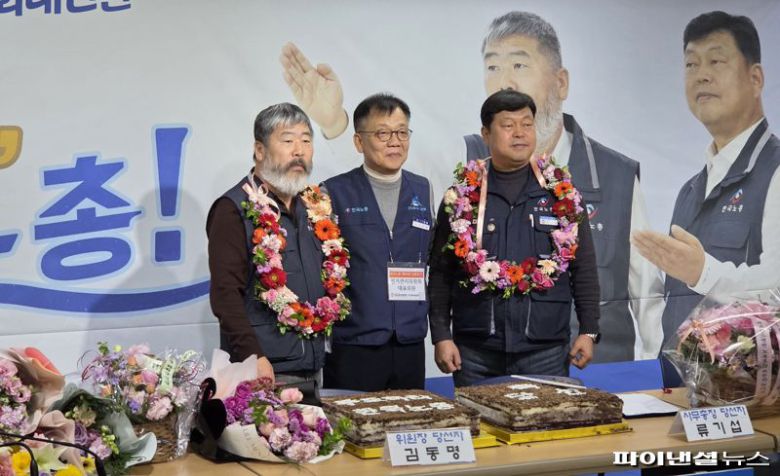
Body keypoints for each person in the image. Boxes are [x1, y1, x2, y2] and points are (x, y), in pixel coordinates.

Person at [280, 11, 663, 363]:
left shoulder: (614, 174)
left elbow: (646, 293)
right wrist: (337, 124)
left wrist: (649, 371)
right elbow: (384, 173)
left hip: (590, 360)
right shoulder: (463, 165)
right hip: (481, 348)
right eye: (493, 66)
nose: (505, 79)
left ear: (560, 82)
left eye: (519, 64)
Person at [632, 12, 780, 385]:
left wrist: (703, 272)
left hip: (752, 399)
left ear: (756, 77)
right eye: (691, 64)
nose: (701, 74)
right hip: (684, 388)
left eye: (716, 60)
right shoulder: (690, 189)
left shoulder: (775, 171)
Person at [428, 90, 600, 386]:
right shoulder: (461, 199)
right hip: (476, 351)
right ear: (486, 133)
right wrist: (442, 336)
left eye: (527, 124)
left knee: (544, 429)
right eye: (508, 125)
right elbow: (441, 275)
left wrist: (588, 330)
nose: (519, 134)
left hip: (545, 349)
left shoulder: (561, 195)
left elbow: (583, 268)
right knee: (479, 430)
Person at [207, 103, 334, 398]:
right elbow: (225, 295)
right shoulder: (233, 209)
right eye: (288, 140)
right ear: (260, 150)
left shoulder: (314, 206)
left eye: (306, 140)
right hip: (265, 371)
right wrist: (253, 357)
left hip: (313, 366)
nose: (299, 151)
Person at [321, 93, 433, 391]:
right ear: (359, 142)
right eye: (382, 133)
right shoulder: (334, 192)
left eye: (401, 132)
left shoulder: (422, 189)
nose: (394, 141)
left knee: (408, 425)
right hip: (356, 342)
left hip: (409, 342)